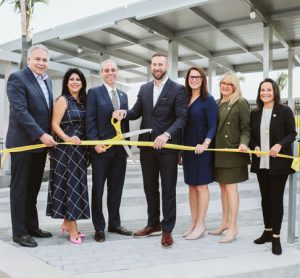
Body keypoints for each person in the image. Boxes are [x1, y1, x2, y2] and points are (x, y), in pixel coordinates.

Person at [113, 53, 188, 248]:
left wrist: (166, 135)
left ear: (167, 66)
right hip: (147, 147)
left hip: (167, 147)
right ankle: (153, 224)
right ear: (151, 66)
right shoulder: (144, 88)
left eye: (160, 64)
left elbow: (182, 118)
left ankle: (167, 230)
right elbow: (136, 112)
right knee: (150, 188)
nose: (157, 67)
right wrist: (123, 113)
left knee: (168, 189)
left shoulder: (178, 89)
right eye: (154, 64)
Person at [6, 44, 56, 247]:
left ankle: (32, 227)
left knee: (33, 188)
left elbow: (47, 112)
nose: (41, 63)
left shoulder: (48, 81)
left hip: (41, 145)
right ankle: (19, 232)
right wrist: (41, 134)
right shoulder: (17, 78)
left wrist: (49, 137)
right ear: (28, 60)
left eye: (45, 60)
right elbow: (21, 112)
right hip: (23, 144)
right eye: (37, 59)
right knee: (20, 189)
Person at [86, 59, 132, 243]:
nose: (110, 73)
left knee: (116, 189)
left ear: (117, 72)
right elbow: (90, 120)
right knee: (98, 189)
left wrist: (127, 146)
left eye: (113, 70)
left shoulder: (123, 95)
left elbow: (125, 123)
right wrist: (94, 144)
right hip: (101, 151)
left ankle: (115, 223)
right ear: (101, 73)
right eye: (106, 70)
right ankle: (99, 227)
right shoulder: (94, 93)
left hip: (119, 152)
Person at [250, 78, 296, 255]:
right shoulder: (255, 113)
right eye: (262, 90)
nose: (265, 93)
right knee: (265, 198)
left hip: (279, 164)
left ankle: (276, 237)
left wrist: (279, 145)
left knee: (276, 199)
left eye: (269, 90)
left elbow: (292, 133)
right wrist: (255, 146)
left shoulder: (284, 111)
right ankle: (267, 231)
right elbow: (252, 135)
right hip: (262, 162)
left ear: (275, 91)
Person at [46, 68, 90, 244]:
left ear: (82, 83)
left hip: (78, 150)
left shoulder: (83, 101)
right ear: (66, 82)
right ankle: (73, 230)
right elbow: (54, 124)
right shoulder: (63, 100)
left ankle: (66, 223)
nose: (74, 82)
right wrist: (66, 137)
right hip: (65, 149)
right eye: (71, 79)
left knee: (75, 185)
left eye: (78, 79)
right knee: (70, 186)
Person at [210, 72, 250, 243]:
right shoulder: (217, 103)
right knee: (223, 189)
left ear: (235, 86)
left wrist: (244, 143)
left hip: (233, 151)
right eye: (223, 83)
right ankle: (225, 223)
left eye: (229, 84)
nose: (225, 86)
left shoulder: (240, 102)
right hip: (218, 152)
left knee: (231, 189)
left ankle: (233, 227)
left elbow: (246, 128)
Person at [182, 67, 217, 240]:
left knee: (202, 186)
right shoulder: (185, 98)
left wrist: (205, 143)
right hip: (187, 147)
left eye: (197, 77)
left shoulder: (208, 100)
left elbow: (212, 126)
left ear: (203, 79)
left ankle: (201, 224)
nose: (194, 79)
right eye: (191, 77)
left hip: (201, 147)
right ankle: (194, 222)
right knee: (191, 186)